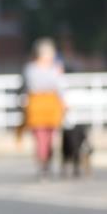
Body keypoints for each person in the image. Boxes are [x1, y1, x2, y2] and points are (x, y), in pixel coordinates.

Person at [21, 38, 66, 178]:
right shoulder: (53, 69)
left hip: (42, 104)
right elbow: (60, 87)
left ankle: (44, 163)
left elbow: (29, 86)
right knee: (44, 137)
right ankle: (44, 163)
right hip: (45, 104)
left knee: (44, 137)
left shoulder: (31, 69)